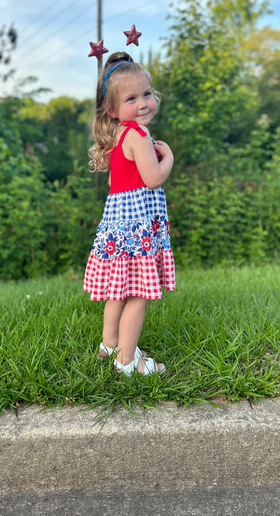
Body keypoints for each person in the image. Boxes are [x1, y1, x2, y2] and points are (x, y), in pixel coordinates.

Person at [83, 51, 175, 377]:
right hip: (137, 228)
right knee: (138, 294)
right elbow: (153, 179)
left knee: (117, 292)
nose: (142, 104)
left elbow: (114, 183)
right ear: (112, 108)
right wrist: (169, 159)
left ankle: (108, 345)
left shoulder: (118, 135)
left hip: (120, 225)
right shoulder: (138, 135)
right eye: (131, 98)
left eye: (147, 94)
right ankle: (126, 361)